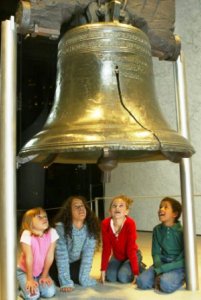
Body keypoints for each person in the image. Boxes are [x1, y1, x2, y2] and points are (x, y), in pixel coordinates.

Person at [52, 195, 101, 292]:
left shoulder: (91, 227)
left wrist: (84, 279)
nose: (81, 209)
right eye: (76, 207)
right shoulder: (61, 228)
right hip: (57, 261)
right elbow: (61, 256)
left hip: (75, 261)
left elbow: (88, 255)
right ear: (69, 212)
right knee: (60, 280)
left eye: (82, 206)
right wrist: (65, 282)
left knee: (78, 278)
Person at [136, 197, 185, 293]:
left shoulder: (183, 231)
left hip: (177, 265)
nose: (161, 209)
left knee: (166, 285)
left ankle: (181, 278)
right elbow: (156, 252)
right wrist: (159, 268)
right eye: (160, 207)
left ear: (174, 214)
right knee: (141, 282)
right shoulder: (157, 229)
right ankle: (160, 278)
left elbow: (184, 259)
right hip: (162, 262)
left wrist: (163, 269)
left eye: (165, 207)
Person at [17, 207, 59, 300]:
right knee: (32, 297)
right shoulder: (26, 234)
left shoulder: (52, 232)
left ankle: (36, 284)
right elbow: (29, 257)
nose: (44, 218)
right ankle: (22, 290)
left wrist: (44, 275)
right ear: (30, 223)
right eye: (39, 217)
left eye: (45, 216)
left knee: (50, 293)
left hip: (40, 272)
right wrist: (30, 279)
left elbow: (50, 256)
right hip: (25, 271)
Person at [100, 195, 144, 284]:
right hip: (117, 256)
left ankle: (139, 265)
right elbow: (106, 249)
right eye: (114, 205)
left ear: (126, 211)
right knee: (110, 277)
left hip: (131, 254)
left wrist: (136, 272)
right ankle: (122, 266)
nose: (117, 208)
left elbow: (131, 250)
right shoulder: (105, 224)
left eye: (121, 206)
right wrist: (103, 270)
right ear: (110, 211)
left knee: (123, 277)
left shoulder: (130, 223)